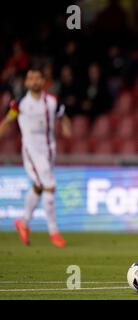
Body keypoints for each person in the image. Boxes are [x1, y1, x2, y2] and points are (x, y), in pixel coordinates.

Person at [0, 67, 72, 247]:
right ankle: (54, 231)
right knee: (49, 185)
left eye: (37, 78)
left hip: (49, 149)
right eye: (30, 78)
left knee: (39, 186)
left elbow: (63, 116)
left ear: (43, 81)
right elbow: (8, 120)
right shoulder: (20, 104)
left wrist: (66, 127)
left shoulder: (52, 102)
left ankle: (23, 223)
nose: (34, 81)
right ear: (26, 83)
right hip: (31, 151)